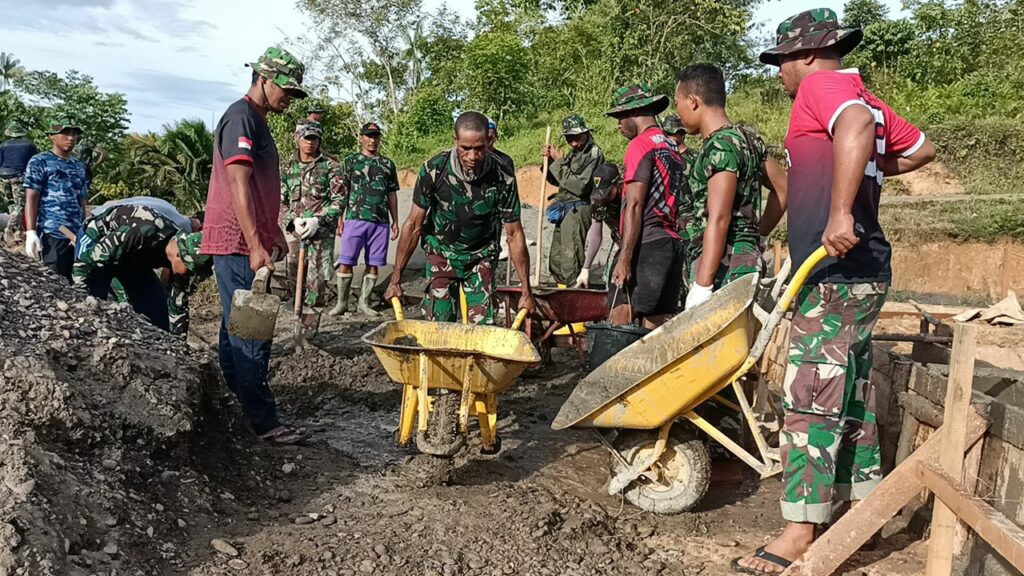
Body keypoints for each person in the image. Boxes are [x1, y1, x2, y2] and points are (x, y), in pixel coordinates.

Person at [731, 9, 935, 574]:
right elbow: (921, 151)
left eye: (782, 63)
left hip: (836, 274)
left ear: (808, 55)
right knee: (849, 392)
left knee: (810, 396)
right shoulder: (860, 92)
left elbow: (855, 129)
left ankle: (800, 531)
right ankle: (855, 508)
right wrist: (864, 166)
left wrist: (843, 210)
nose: (780, 75)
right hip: (861, 271)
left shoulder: (824, 87)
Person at [200, 46, 308, 445]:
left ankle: (237, 409)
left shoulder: (256, 120)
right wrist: (254, 243)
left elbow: (260, 189)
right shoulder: (241, 117)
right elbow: (238, 184)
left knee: (235, 328)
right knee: (252, 331)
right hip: (236, 241)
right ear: (264, 78)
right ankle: (262, 422)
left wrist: (273, 231)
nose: (289, 98)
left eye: (295, 94)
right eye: (286, 89)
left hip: (244, 239)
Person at [384, 111, 536, 324]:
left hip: (480, 256)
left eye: (479, 149)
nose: (472, 157)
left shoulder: (503, 177)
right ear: (455, 141)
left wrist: (526, 292)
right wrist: (396, 278)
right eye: (465, 148)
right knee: (438, 324)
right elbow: (413, 225)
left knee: (483, 329)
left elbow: (514, 234)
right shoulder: (434, 170)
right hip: (442, 254)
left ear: (489, 141)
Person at [674, 64, 788, 310]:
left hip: (724, 266)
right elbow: (783, 189)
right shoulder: (749, 139)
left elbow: (719, 217)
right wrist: (758, 236)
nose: (678, 113)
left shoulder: (720, 146)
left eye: (678, 104)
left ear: (693, 101)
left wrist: (703, 285)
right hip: (744, 259)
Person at [604, 84, 686, 329]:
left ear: (634, 112)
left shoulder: (640, 145)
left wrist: (625, 258)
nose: (618, 125)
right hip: (670, 244)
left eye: (620, 117)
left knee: (619, 317)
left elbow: (636, 203)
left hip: (647, 243)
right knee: (656, 324)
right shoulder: (672, 147)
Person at [73, 204, 212, 335]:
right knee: (92, 305)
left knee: (159, 316)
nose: (189, 274)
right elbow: (86, 261)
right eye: (190, 269)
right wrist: (80, 290)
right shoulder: (144, 231)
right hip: (98, 243)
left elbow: (178, 306)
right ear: (179, 255)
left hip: (132, 259)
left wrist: (179, 343)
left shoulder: (181, 262)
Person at [281, 119, 345, 344]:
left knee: (316, 285)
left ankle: (307, 336)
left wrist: (318, 220)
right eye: (306, 138)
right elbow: (281, 202)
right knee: (293, 281)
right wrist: (292, 221)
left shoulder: (331, 166)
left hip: (321, 236)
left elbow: (339, 200)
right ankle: (296, 329)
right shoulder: (287, 167)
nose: (310, 143)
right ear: (296, 138)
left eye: (314, 138)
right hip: (295, 235)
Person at [334, 121, 400, 317]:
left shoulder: (388, 164)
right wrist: (340, 218)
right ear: (361, 138)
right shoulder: (351, 162)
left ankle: (364, 303)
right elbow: (342, 192)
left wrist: (395, 220)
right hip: (355, 218)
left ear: (379, 138)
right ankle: (342, 303)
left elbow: (392, 194)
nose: (372, 140)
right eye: (369, 136)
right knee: (346, 261)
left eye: (376, 136)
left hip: (380, 222)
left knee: (373, 263)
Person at [22, 116, 89, 281]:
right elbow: (31, 197)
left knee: (78, 284)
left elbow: (82, 200)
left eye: (74, 133)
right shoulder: (40, 161)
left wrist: (86, 228)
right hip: (52, 232)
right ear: (52, 135)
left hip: (75, 235)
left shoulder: (78, 165)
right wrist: (31, 231)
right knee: (54, 281)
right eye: (65, 133)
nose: (71, 138)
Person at [542, 114, 605, 287]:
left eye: (577, 138)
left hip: (578, 209)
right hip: (564, 208)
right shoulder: (573, 153)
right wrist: (548, 163)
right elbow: (559, 181)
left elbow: (579, 186)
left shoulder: (593, 154)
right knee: (556, 259)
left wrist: (559, 162)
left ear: (585, 133)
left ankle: (574, 292)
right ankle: (562, 290)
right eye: (570, 139)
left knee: (571, 258)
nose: (574, 143)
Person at [661, 114, 700, 305]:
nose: (670, 138)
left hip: (690, 219)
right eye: (666, 133)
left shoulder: (695, 158)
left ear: (682, 134)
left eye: (673, 134)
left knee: (690, 269)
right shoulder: (663, 157)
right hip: (668, 220)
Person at [575, 163, 622, 288]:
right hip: (619, 241)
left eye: (607, 193)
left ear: (617, 184)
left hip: (639, 242)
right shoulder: (598, 201)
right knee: (610, 281)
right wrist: (585, 268)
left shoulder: (629, 197)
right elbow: (596, 235)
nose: (603, 198)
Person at [0, 121, 38, 244]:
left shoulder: (3, 145)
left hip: (3, 176)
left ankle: (14, 229)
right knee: (20, 204)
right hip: (20, 176)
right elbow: (34, 162)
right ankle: (13, 229)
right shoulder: (29, 145)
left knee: (10, 201)